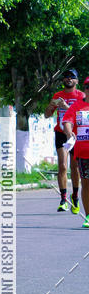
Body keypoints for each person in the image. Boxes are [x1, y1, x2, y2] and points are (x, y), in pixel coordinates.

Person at [45, 68, 84, 213]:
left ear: (77, 81)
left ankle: (75, 197)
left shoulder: (81, 96)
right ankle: (63, 199)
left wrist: (67, 107)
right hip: (61, 133)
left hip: (76, 134)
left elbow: (82, 115)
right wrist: (51, 105)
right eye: (66, 77)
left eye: (72, 77)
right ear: (63, 80)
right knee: (62, 166)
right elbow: (47, 115)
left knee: (75, 168)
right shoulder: (58, 95)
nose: (69, 79)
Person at [62, 76, 89, 228]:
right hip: (83, 152)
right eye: (88, 87)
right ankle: (88, 216)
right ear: (85, 89)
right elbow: (67, 121)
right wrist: (69, 132)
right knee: (86, 185)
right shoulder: (77, 106)